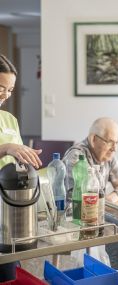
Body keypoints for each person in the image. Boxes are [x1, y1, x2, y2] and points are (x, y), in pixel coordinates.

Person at [62, 117, 118, 269]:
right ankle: (117, 278)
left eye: (117, 143)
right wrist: (114, 207)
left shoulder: (107, 155)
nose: (114, 148)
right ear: (93, 139)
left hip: (96, 212)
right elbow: (84, 201)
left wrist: (113, 197)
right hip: (76, 217)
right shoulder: (77, 157)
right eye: (110, 142)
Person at [0, 54, 42, 281]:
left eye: (10, 90)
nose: (5, 95)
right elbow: (7, 149)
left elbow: (12, 157)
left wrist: (24, 156)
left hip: (11, 207)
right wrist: (6, 147)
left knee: (11, 270)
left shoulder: (9, 119)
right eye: (0, 88)